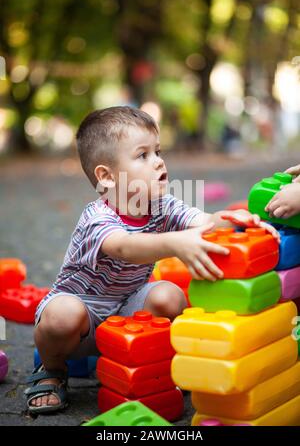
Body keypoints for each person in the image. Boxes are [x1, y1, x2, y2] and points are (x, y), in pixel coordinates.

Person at [25, 106, 279, 414]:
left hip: (131, 311)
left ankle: (162, 366)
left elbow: (204, 221)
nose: (158, 161)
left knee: (169, 294)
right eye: (142, 155)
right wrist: (174, 243)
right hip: (83, 317)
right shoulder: (97, 216)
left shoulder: (162, 204)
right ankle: (52, 371)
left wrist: (235, 219)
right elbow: (124, 247)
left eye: (157, 151)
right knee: (62, 314)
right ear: (106, 177)